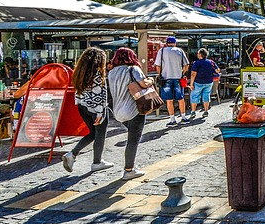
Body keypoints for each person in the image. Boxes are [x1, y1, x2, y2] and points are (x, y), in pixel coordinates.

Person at [62, 47, 113, 174]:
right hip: (96, 108)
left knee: (93, 133)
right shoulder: (97, 74)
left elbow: (79, 93)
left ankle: (72, 154)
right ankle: (97, 162)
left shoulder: (80, 72)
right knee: (100, 134)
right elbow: (100, 94)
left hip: (82, 106)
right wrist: (100, 112)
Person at [107, 47, 150, 180]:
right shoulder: (133, 69)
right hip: (134, 109)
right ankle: (129, 170)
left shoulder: (111, 72)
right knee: (133, 141)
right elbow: (143, 83)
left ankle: (130, 166)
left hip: (118, 112)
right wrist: (151, 81)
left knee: (131, 137)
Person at [154, 36, 190, 125]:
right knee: (180, 99)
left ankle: (172, 119)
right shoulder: (180, 51)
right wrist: (182, 72)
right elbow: (186, 65)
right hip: (178, 78)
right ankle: (183, 117)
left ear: (166, 43)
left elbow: (157, 66)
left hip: (166, 78)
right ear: (175, 43)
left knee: (169, 100)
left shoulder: (161, 51)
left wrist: (161, 74)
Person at [188, 48, 219, 119]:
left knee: (194, 96)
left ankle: (193, 112)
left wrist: (191, 84)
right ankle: (205, 111)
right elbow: (217, 70)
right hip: (209, 82)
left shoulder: (196, 63)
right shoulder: (211, 62)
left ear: (200, 54)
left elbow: (193, 74)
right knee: (206, 96)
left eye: (198, 53)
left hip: (198, 82)